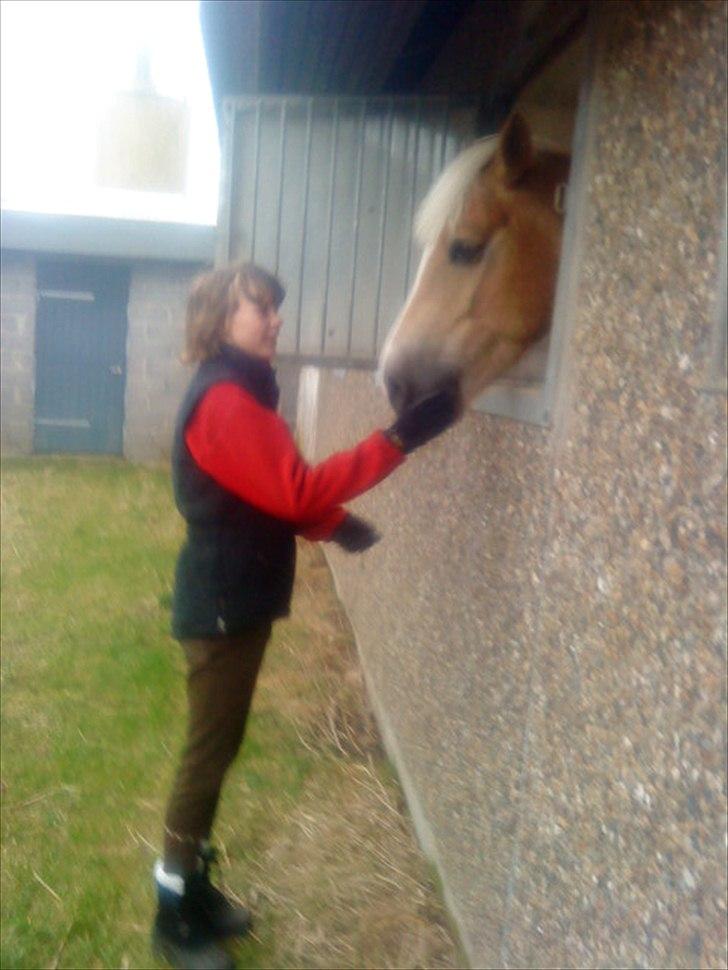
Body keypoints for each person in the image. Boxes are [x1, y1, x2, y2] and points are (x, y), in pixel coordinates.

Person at [152, 261, 458, 969]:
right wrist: (397, 438)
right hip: (223, 604)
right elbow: (293, 491)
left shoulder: (244, 396)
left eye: (275, 308)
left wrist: (335, 525)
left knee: (219, 750)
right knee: (206, 754)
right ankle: (173, 913)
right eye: (260, 308)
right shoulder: (225, 400)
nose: (276, 319)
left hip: (236, 599)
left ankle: (194, 888)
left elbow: (270, 495)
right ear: (219, 320)